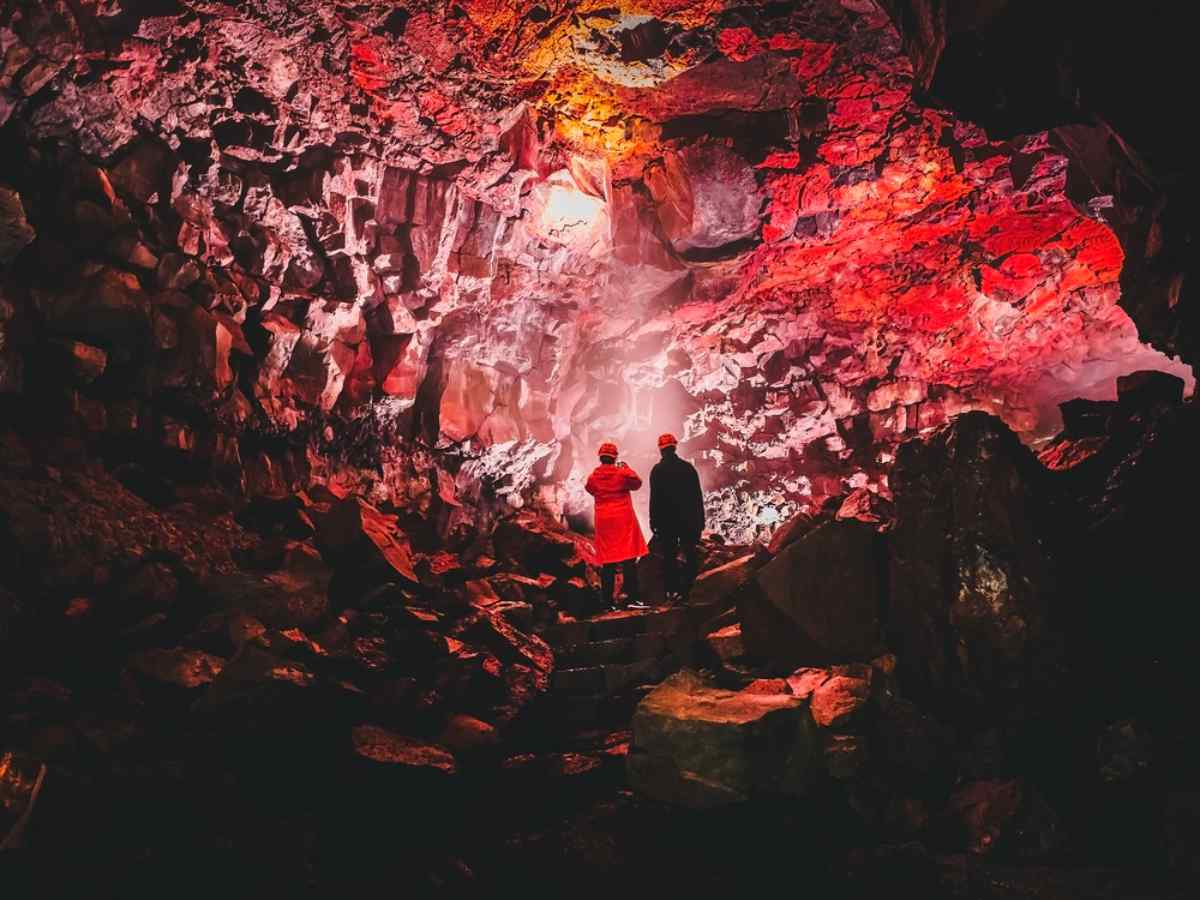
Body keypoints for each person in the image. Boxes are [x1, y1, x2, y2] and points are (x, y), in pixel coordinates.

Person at [585, 441, 648, 610]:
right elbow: (637, 483)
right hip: (623, 520)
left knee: (608, 563)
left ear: (600, 458)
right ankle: (632, 598)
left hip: (605, 522)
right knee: (629, 560)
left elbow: (589, 489)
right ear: (615, 458)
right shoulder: (622, 474)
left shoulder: (593, 477)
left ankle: (607, 603)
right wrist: (626, 468)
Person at [649, 433, 704, 603]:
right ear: (675, 447)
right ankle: (691, 591)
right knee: (690, 554)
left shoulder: (657, 470)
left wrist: (653, 521)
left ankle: (671, 592)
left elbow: (655, 499)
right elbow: (697, 496)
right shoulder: (688, 468)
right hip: (687, 520)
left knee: (669, 557)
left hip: (667, 522)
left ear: (661, 449)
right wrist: (700, 521)